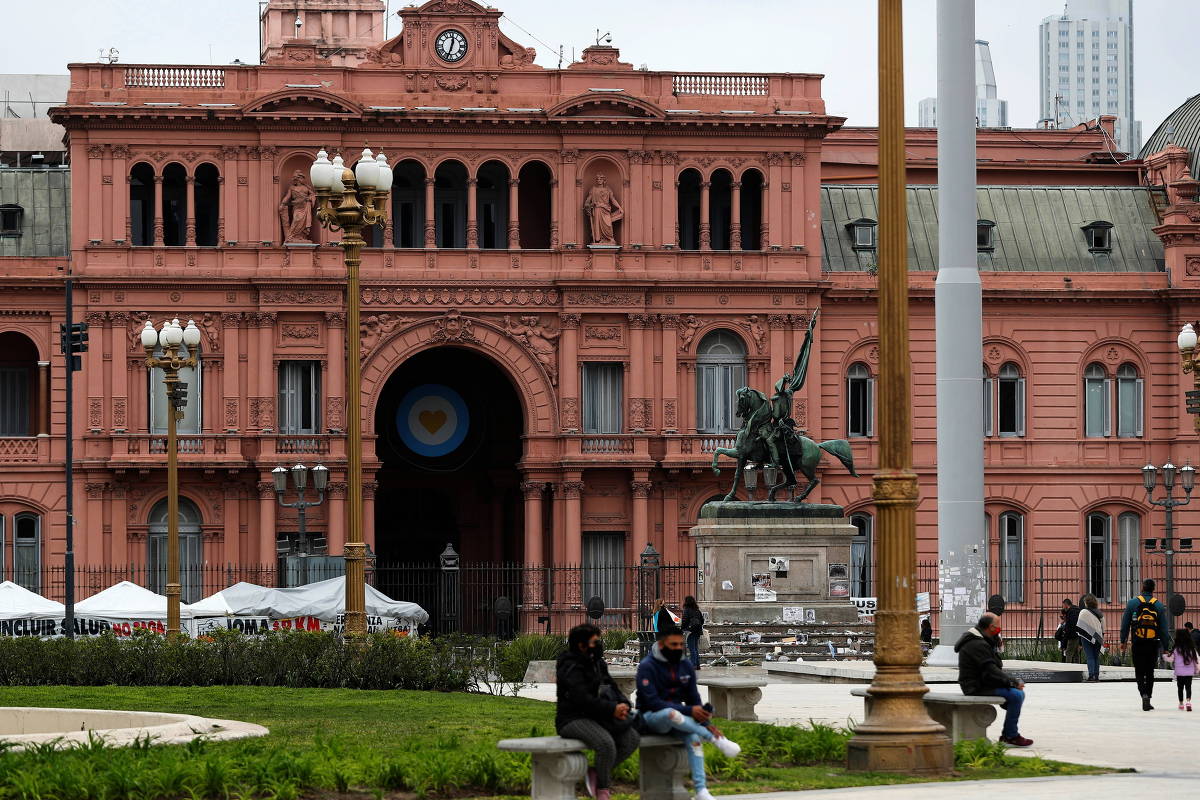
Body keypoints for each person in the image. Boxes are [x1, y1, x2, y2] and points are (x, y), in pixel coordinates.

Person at [636, 624, 741, 800]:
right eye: (673, 645)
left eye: (680, 645)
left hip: (679, 720)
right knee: (670, 713)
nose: (678, 649)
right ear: (661, 645)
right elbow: (651, 702)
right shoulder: (647, 666)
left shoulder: (684, 664)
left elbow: (693, 699)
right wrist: (689, 710)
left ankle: (701, 791)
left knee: (694, 740)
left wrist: (704, 719)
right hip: (651, 718)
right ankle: (716, 740)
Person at [555, 624, 639, 800]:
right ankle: (603, 790)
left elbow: (612, 687)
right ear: (581, 644)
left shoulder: (597, 662)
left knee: (631, 739)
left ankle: (596, 772)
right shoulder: (570, 665)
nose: (598, 644)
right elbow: (581, 698)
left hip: (600, 716)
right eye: (595, 641)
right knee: (605, 744)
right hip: (573, 719)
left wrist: (623, 704)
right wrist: (611, 709)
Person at [954, 611, 1032, 747]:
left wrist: (1009, 682)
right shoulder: (977, 644)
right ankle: (1010, 735)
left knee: (1017, 695)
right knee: (1017, 695)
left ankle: (1009, 733)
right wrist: (1012, 682)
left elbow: (991, 670)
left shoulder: (981, 640)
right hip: (975, 687)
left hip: (982, 683)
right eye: (998, 627)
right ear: (990, 627)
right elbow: (991, 669)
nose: (999, 630)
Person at [1119, 578, 1172, 711]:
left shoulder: (1132, 603)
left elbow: (1125, 624)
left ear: (1142, 588)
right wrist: (1166, 647)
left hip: (1137, 642)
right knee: (1150, 672)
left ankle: (1143, 694)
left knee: (1139, 671)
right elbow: (1164, 630)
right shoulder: (1159, 605)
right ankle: (1148, 695)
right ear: (1153, 589)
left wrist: (1123, 641)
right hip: (1153, 643)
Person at [1164, 627, 1198, 712]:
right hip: (1189, 672)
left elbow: (1170, 659)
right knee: (1188, 687)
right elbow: (1196, 660)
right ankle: (1188, 702)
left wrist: (1164, 656)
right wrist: (1196, 669)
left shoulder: (1176, 649)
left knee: (1180, 688)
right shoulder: (1192, 649)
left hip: (1179, 673)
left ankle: (1181, 704)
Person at [1077, 594, 1104, 682]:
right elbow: (1103, 626)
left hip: (1086, 637)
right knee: (1096, 657)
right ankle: (1096, 676)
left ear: (1086, 602)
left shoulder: (1083, 612)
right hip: (1098, 637)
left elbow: (1079, 625)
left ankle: (1091, 675)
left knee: (1090, 656)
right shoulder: (1099, 612)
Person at [681, 596, 705, 670]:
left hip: (690, 631)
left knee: (692, 649)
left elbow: (684, 620)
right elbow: (702, 620)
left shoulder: (687, 610)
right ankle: (697, 665)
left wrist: (683, 628)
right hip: (697, 631)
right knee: (695, 648)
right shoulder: (697, 610)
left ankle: (693, 665)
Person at [1061, 598, 1081, 664]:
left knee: (1068, 653)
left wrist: (1066, 636)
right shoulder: (1077, 610)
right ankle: (1077, 668)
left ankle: (1067, 669)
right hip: (1077, 634)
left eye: (1063, 606)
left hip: (1072, 635)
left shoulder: (1071, 611)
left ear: (1066, 604)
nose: (1063, 607)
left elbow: (1070, 625)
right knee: (1076, 653)